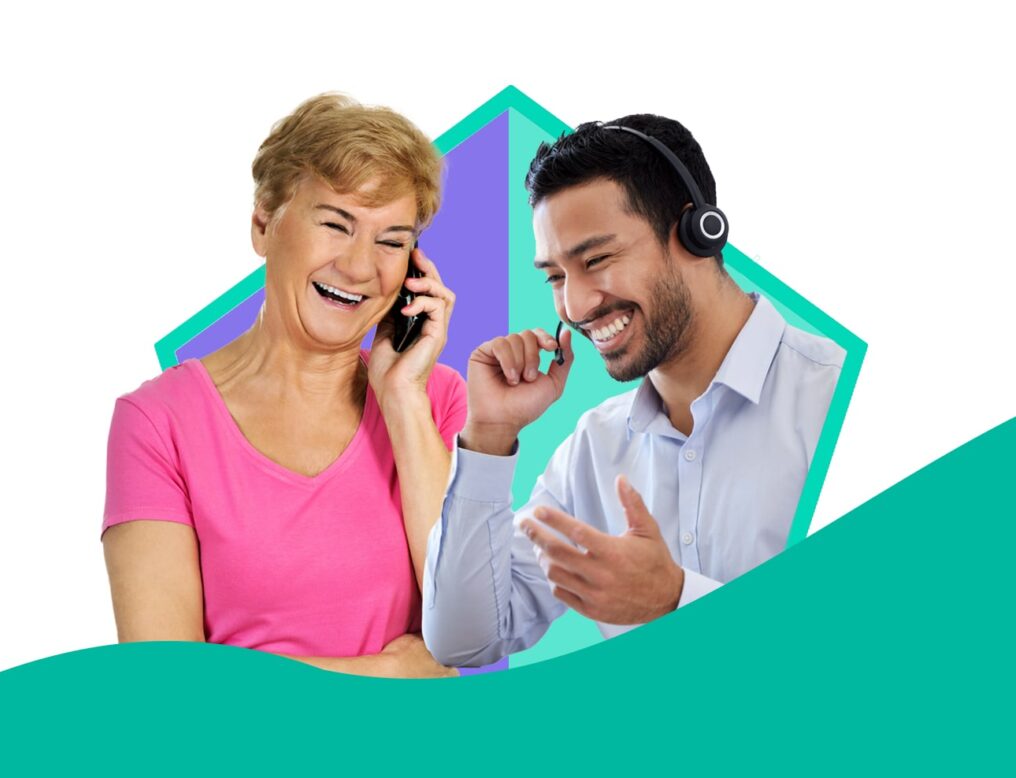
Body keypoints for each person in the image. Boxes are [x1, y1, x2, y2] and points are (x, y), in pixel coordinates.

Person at [422, 115, 844, 666]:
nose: (574, 308)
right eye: (555, 276)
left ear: (698, 232)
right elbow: (465, 640)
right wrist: (489, 436)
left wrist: (675, 600)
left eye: (596, 260)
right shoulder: (595, 449)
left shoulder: (834, 400)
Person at [102, 93, 464, 678]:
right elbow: (163, 687)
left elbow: (467, 631)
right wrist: (390, 675)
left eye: (392, 241)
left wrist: (400, 400)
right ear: (263, 224)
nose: (359, 266)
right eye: (335, 225)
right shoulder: (158, 424)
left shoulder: (434, 400)